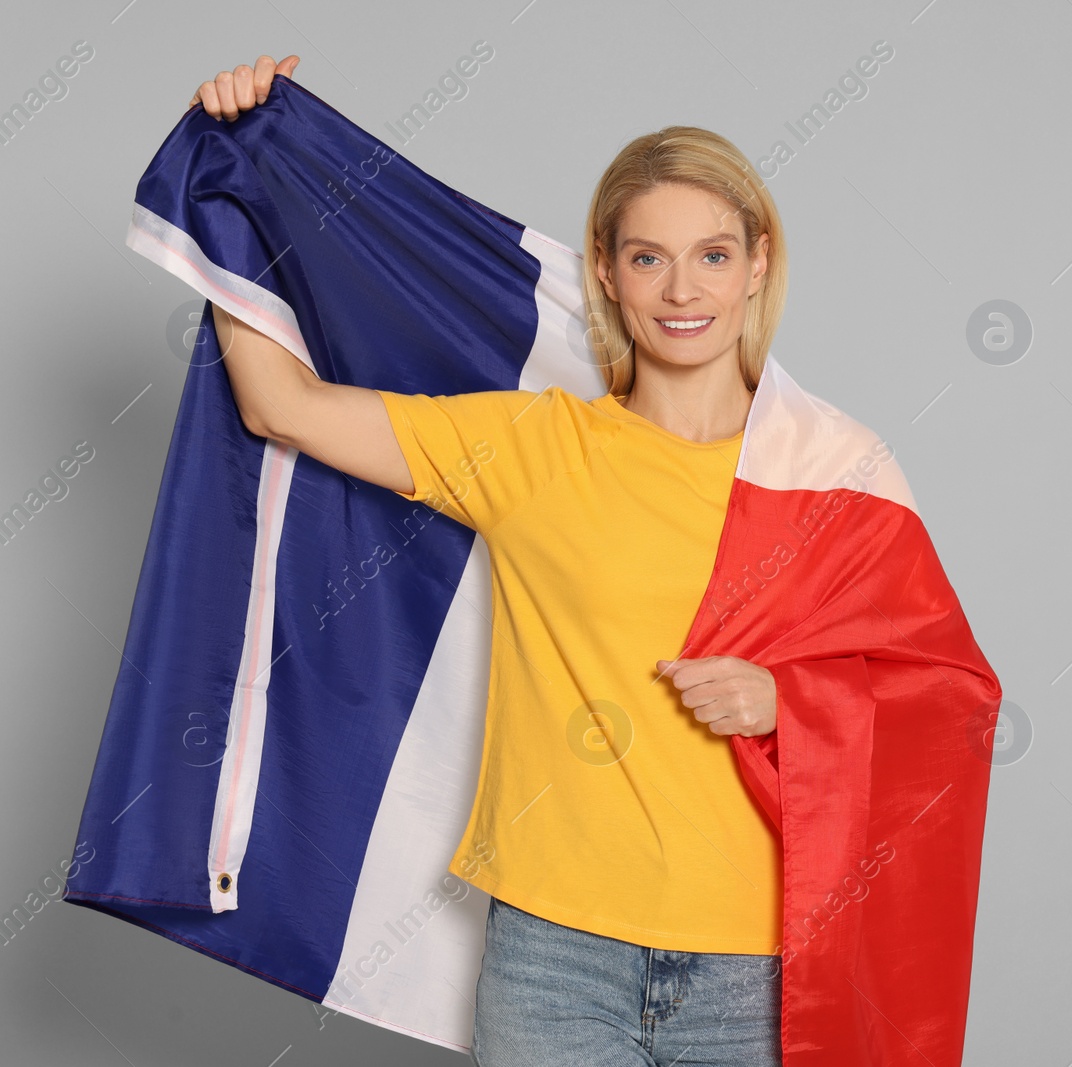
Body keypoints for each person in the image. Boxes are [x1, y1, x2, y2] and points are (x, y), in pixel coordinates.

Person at [189, 55, 789, 1066]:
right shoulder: (532, 445)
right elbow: (279, 406)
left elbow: (928, 698)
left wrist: (787, 702)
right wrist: (232, 190)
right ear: (604, 269)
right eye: (648, 258)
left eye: (713, 255)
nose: (682, 289)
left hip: (750, 962)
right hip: (556, 959)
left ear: (758, 263)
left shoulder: (824, 467)